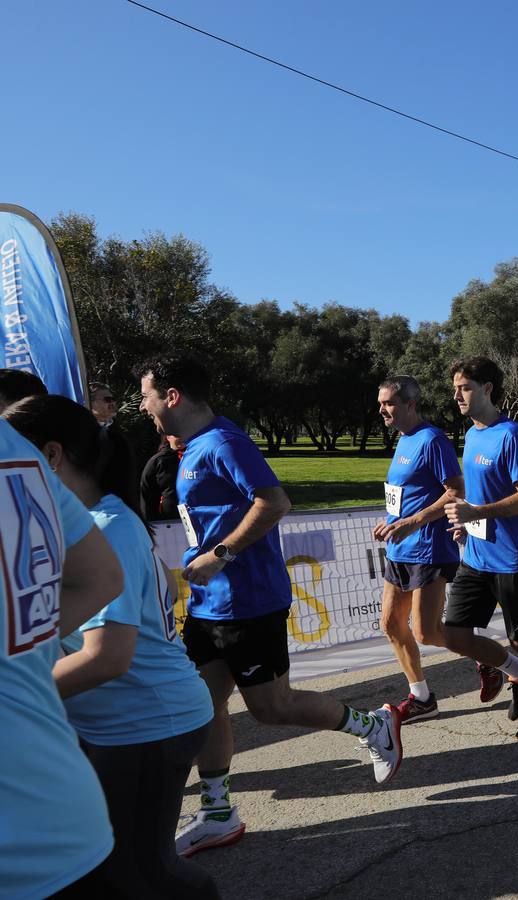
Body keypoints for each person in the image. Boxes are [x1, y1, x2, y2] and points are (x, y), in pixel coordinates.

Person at [134, 354, 402, 860]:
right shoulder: (193, 447)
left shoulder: (224, 442)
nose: (143, 406)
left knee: (271, 708)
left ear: (172, 397)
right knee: (201, 705)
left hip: (248, 603)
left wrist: (220, 554)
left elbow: (274, 502)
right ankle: (217, 813)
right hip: (210, 606)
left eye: (147, 396)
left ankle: (374, 726)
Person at [5, 395, 219, 897]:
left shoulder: (108, 527)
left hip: (146, 722)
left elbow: (109, 655)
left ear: (50, 456)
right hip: (127, 721)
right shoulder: (92, 522)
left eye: (11, 458)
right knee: (123, 867)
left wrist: (20, 693)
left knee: (139, 869)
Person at [0, 410, 124, 897]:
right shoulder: (13, 447)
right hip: (63, 816)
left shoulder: (117, 523)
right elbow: (101, 578)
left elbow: (111, 653)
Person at [441, 356, 518, 741]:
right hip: (476, 555)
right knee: (455, 635)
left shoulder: (510, 434)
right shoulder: (474, 435)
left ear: (487, 389)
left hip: (512, 559)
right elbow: (476, 496)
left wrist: (476, 510)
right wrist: (465, 522)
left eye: (465, 387)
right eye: (455, 389)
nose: (458, 395)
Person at [373, 376, 464, 722]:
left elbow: (456, 490)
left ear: (411, 404)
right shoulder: (403, 440)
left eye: (389, 403)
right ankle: (421, 697)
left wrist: (414, 521)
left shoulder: (432, 440)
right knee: (391, 624)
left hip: (428, 548)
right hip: (399, 549)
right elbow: (404, 495)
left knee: (427, 631)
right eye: (381, 403)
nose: (382, 410)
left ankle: (490, 658)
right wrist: (391, 522)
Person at [140, 433, 184, 521]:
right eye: (176, 434)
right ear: (167, 437)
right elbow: (147, 496)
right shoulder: (159, 460)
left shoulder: (200, 455)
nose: (181, 437)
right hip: (168, 523)